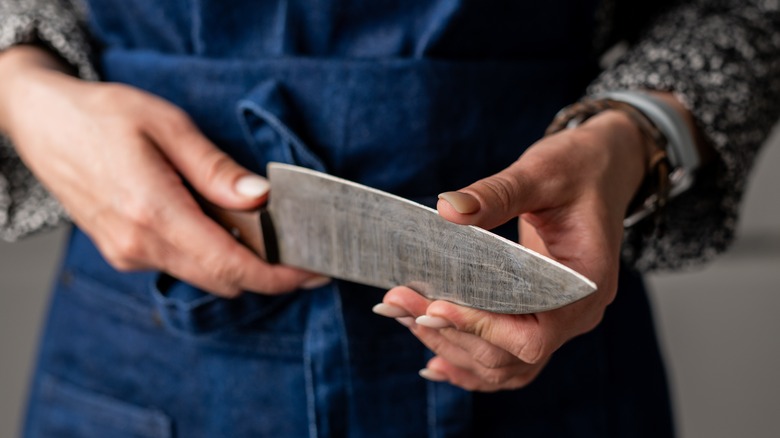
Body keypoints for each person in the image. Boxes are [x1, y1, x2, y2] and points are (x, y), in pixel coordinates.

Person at [0, 0, 777, 436]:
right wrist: (21, 88)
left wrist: (636, 133)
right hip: (143, 349)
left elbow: (745, 11)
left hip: (543, 330)